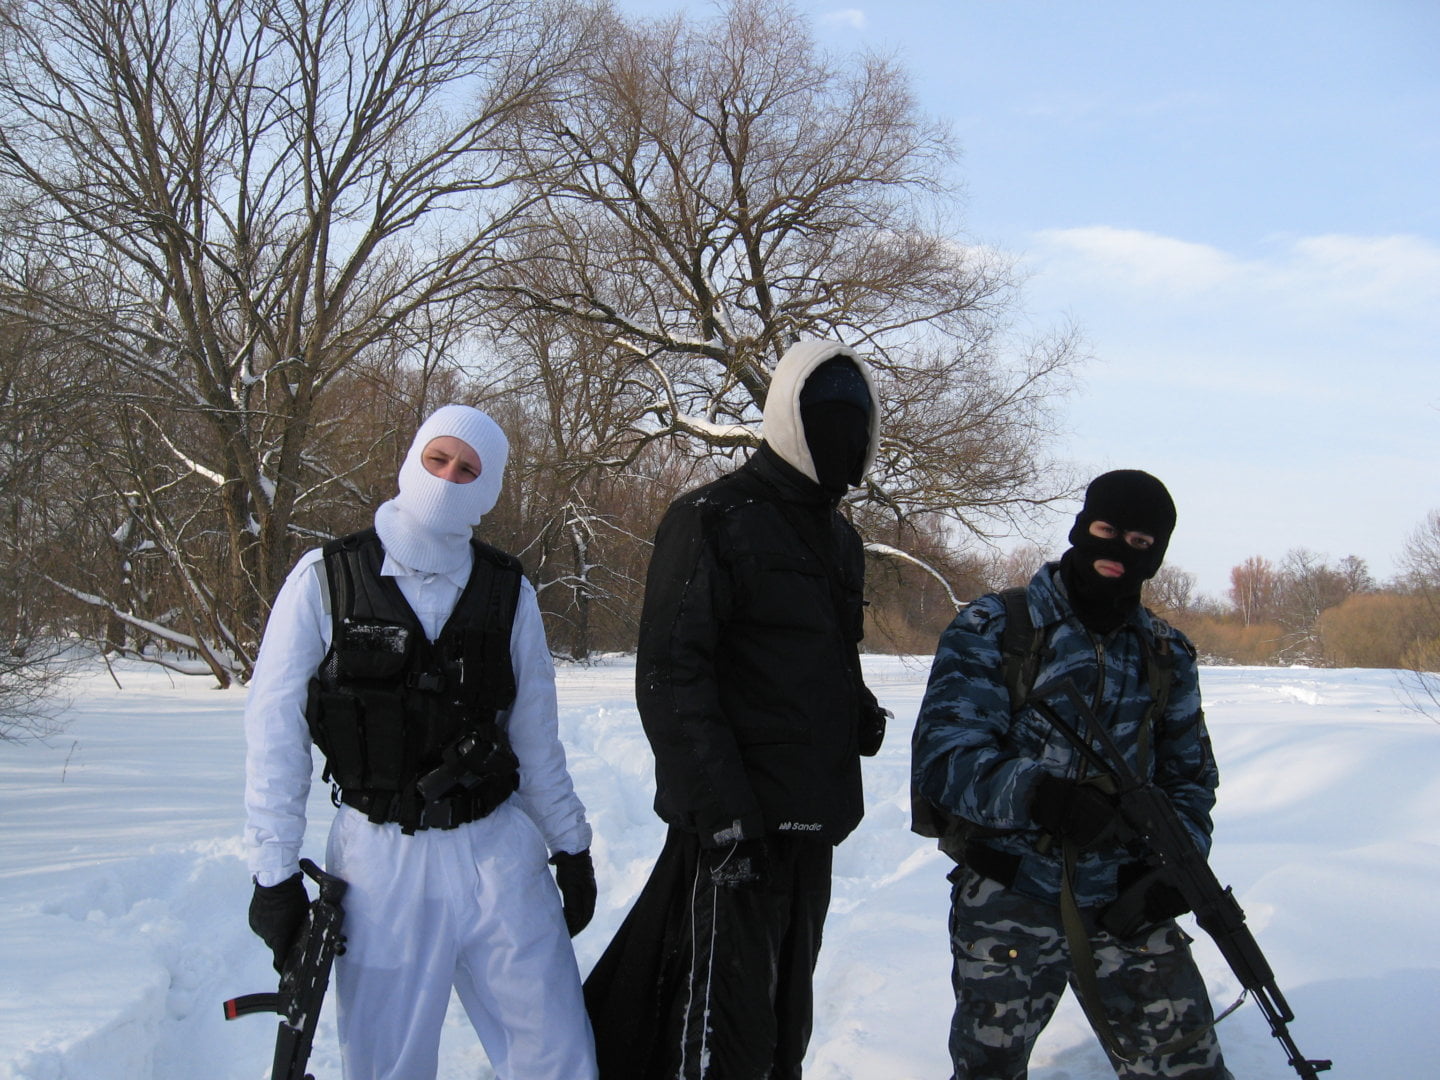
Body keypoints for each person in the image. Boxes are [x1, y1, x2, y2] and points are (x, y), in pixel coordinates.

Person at [243, 404, 599, 1080]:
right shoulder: (327, 579)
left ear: (488, 489)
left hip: (497, 853)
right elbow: (274, 733)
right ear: (412, 459)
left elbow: (536, 739)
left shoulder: (508, 592)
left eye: (468, 470)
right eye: (438, 459)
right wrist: (274, 873)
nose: (448, 478)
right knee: (387, 1065)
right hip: (379, 863)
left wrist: (570, 846)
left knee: (558, 1053)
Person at [583, 340, 890, 1080]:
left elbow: (820, 651)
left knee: (785, 1025)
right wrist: (722, 816)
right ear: (790, 418)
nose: (842, 438)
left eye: (855, 424)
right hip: (735, 830)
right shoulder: (712, 518)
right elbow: (670, 674)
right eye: (825, 419)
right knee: (722, 1028)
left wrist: (854, 709)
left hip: (812, 821)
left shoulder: (840, 539)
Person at [912, 469, 1234, 1080]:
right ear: (1082, 526)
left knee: (1189, 1067)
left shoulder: (1167, 653)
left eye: (1139, 542)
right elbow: (944, 757)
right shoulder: (995, 627)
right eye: (1106, 530)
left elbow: (1191, 779)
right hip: (1011, 890)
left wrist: (1178, 864)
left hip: (1125, 899)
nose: (1117, 551)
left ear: (1156, 555)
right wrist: (1040, 796)